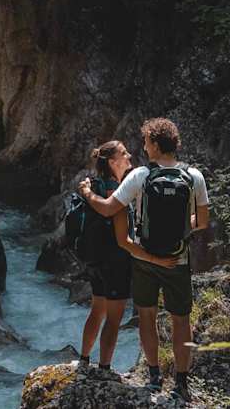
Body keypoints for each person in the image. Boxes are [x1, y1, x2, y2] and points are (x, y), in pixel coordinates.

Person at [78, 118, 210, 401]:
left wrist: (87, 193)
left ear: (156, 144)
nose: (144, 148)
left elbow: (108, 208)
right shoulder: (194, 176)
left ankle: (154, 377)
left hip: (145, 260)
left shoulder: (140, 175)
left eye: (147, 142)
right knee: (181, 321)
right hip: (178, 260)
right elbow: (202, 222)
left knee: (147, 318)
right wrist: (179, 228)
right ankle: (181, 383)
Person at [76, 140, 168, 374]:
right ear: (112, 161)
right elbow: (116, 226)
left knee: (97, 309)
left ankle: (84, 360)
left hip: (95, 258)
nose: (129, 156)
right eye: (123, 153)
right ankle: (104, 368)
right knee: (114, 318)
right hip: (114, 261)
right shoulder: (113, 189)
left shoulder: (94, 184)